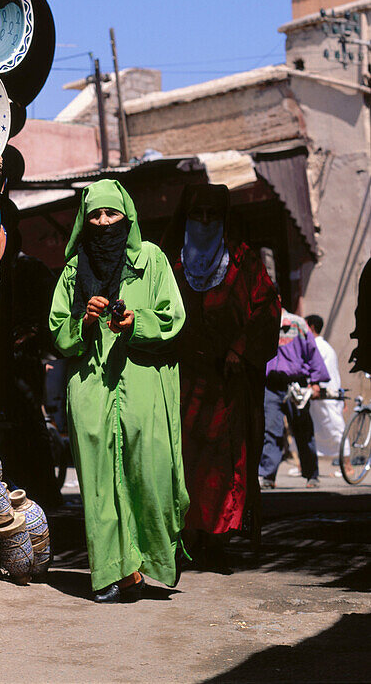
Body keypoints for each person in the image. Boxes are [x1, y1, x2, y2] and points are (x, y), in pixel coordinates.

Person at [48, 179, 188, 603]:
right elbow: (58, 330)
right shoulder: (74, 270)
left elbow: (174, 316)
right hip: (90, 383)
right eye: (95, 215)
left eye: (111, 214)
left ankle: (147, 561)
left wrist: (136, 322)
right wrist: (85, 322)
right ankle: (115, 571)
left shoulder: (152, 259)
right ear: (84, 221)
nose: (104, 223)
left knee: (148, 469)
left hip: (142, 379)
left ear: (127, 217)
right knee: (97, 479)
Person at [162, 184, 280, 565]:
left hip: (226, 386)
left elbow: (267, 309)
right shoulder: (171, 262)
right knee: (183, 460)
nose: (206, 221)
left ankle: (218, 537)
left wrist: (239, 349)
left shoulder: (243, 262)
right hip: (181, 382)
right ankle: (188, 535)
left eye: (214, 214)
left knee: (222, 463)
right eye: (199, 214)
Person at [259, 310, 330, 488]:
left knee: (303, 430)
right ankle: (267, 475)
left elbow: (312, 353)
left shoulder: (298, 324)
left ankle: (311, 474)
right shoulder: (262, 323)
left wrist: (315, 383)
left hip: (295, 385)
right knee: (270, 431)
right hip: (271, 386)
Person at [305, 314, 345, 473]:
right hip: (319, 396)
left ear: (312, 327)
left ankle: (347, 466)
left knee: (336, 429)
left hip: (325, 396)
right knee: (311, 430)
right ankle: (304, 465)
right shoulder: (321, 346)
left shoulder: (320, 347)